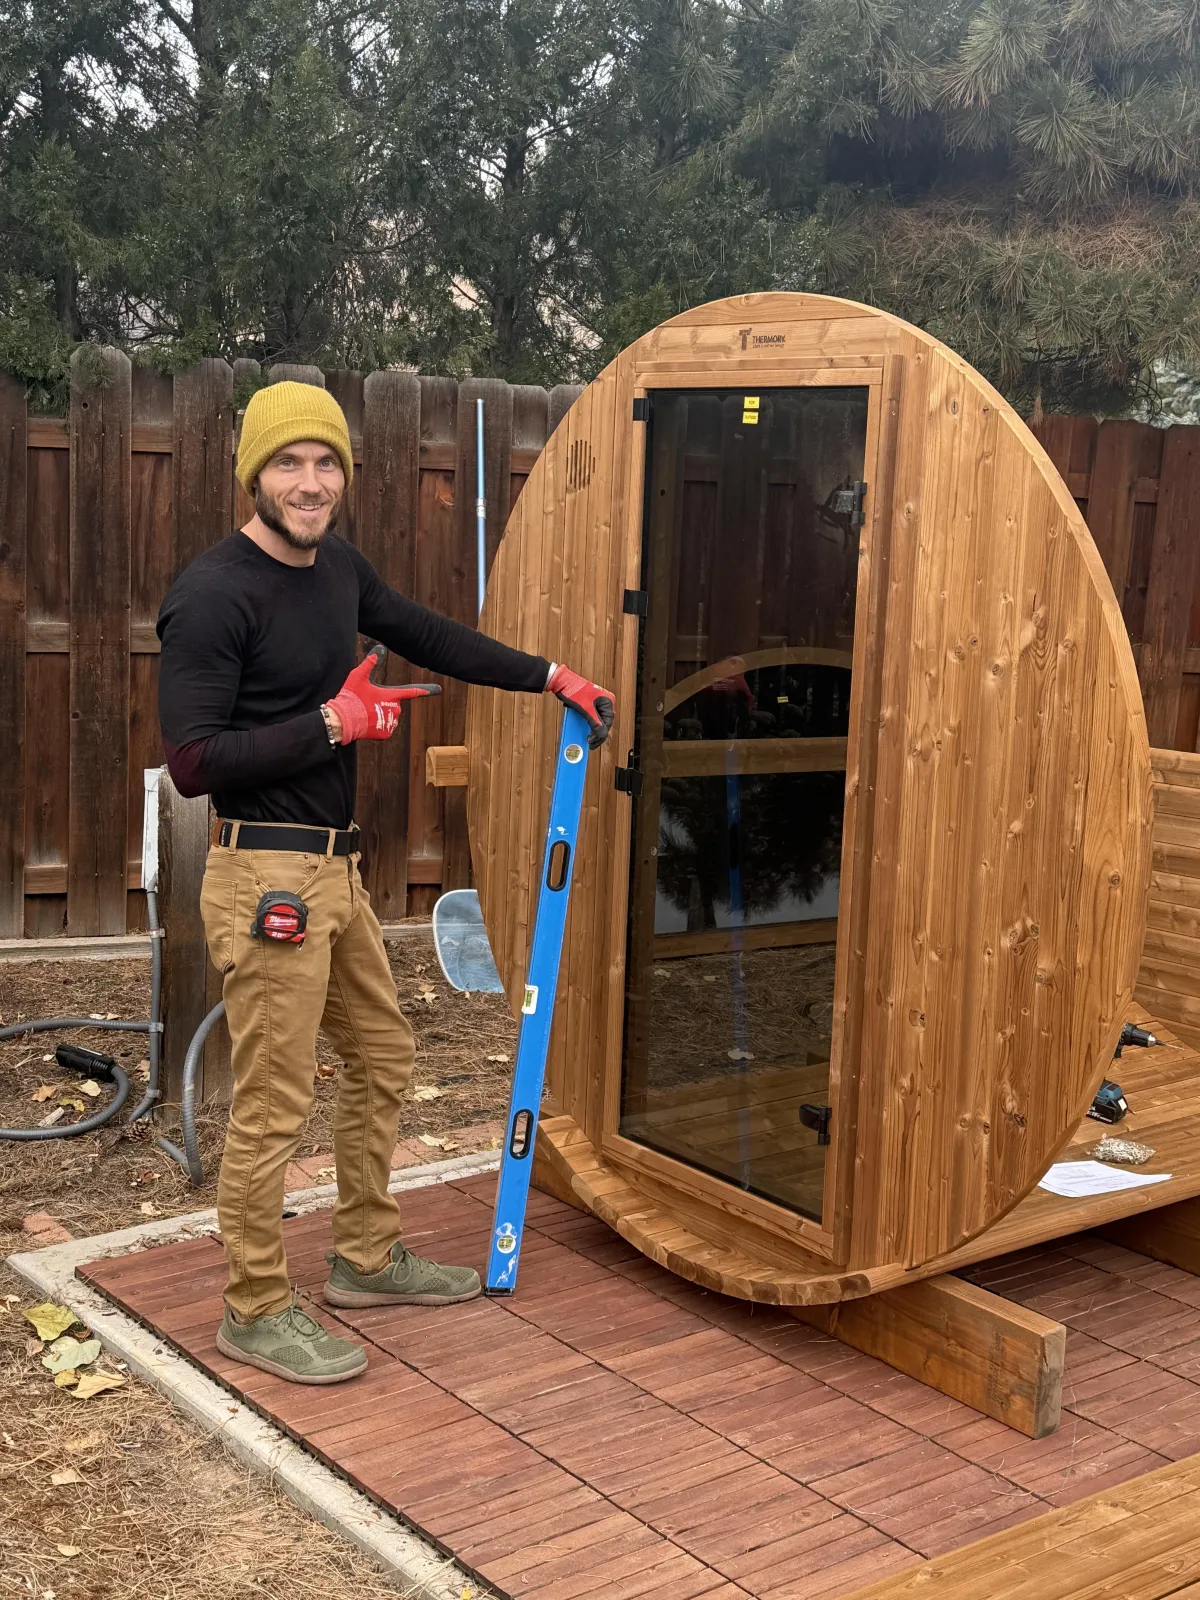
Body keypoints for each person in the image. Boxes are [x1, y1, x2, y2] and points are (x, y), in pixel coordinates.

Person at [156, 381, 614, 1385]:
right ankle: (255, 1305)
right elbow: (192, 761)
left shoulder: (338, 571)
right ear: (255, 475)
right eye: (289, 464)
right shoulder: (213, 594)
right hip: (265, 872)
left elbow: (431, 632)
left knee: (382, 1049)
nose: (310, 482)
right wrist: (330, 724)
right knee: (275, 1099)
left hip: (335, 869)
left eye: (325, 464)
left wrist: (550, 677)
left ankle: (365, 1257)